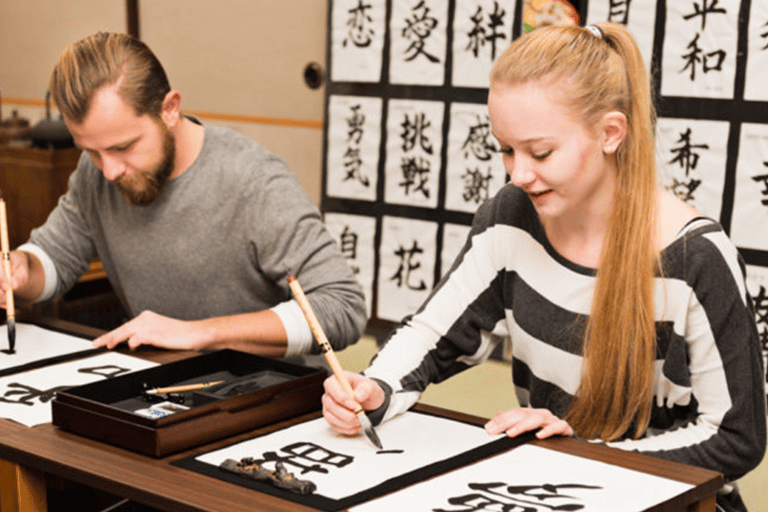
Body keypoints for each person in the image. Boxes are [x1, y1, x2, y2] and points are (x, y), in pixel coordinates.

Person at [321, 22, 766, 511]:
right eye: (506, 151)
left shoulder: (693, 257)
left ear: (610, 133)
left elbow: (734, 439)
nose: (519, 174)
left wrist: (585, 457)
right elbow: (435, 334)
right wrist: (374, 389)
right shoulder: (511, 217)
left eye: (541, 152)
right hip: (553, 487)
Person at [0, 32, 366, 366]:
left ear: (169, 108)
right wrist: (21, 269)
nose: (109, 171)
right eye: (91, 150)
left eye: (123, 147)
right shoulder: (96, 172)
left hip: (269, 395)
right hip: (164, 386)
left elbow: (341, 307)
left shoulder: (252, 179)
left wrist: (201, 332)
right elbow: (55, 260)